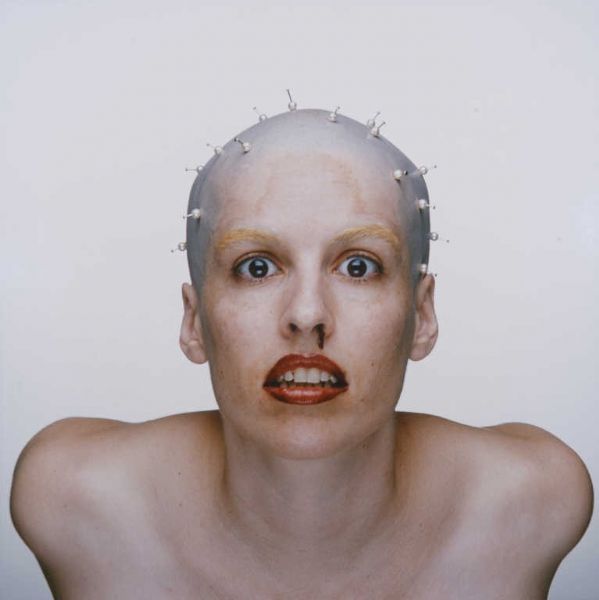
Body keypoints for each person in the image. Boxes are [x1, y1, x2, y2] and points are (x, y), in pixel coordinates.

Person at [11, 107, 593, 599]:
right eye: (256, 267)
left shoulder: (531, 502)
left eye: (358, 266)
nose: (308, 313)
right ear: (194, 321)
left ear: (422, 317)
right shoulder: (75, 502)